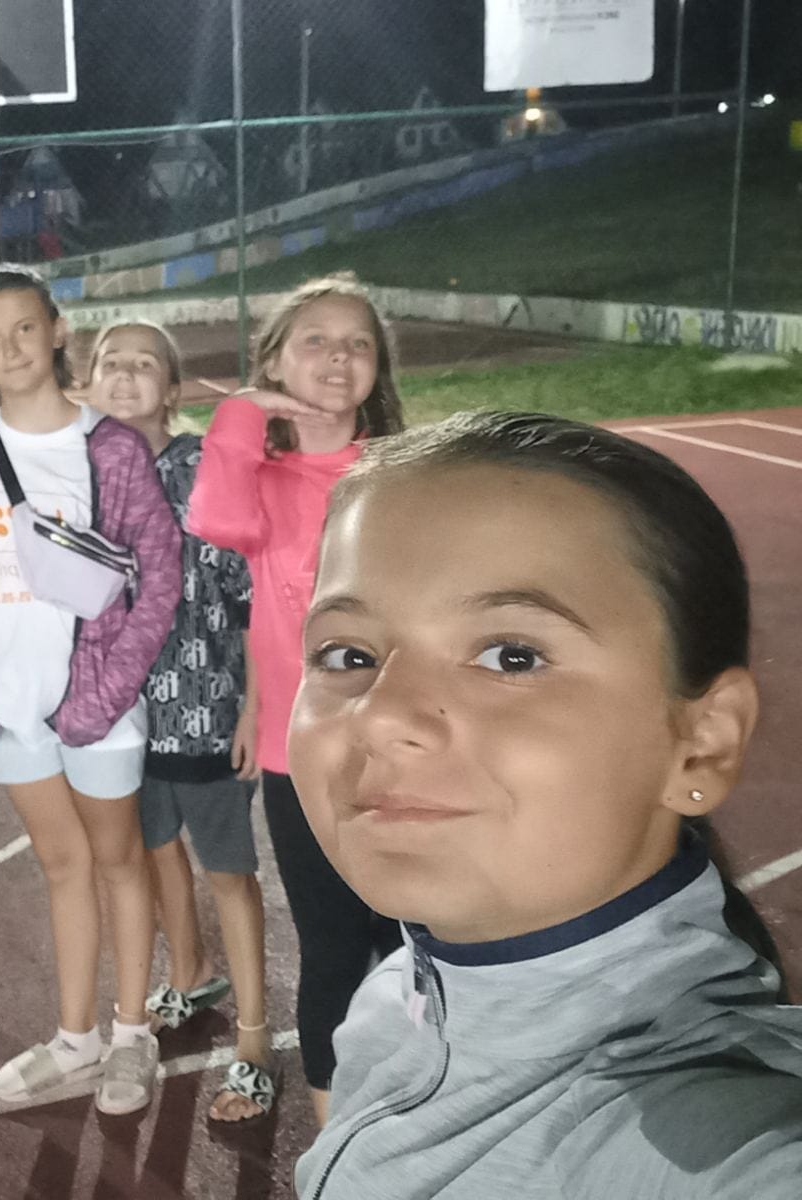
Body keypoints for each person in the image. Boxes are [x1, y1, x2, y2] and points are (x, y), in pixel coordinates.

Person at [289, 410, 802, 1198]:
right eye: (348, 653)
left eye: (512, 656)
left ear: (702, 744)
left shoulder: (716, 1144)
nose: (380, 714)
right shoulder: (395, 995)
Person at [0, 265, 181, 1114]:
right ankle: (76, 1037)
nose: (10, 349)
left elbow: (159, 578)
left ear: (57, 329)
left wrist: (102, 695)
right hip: (13, 708)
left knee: (118, 863)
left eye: (24, 329)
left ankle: (132, 1032)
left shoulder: (108, 448)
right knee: (61, 866)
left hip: (97, 708)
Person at [188, 271, 405, 1127]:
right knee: (334, 948)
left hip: (399, 747)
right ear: (275, 359)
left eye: (358, 343)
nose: (338, 356)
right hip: (299, 753)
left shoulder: (401, 476)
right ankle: (332, 1142)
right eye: (314, 339)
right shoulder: (263, 479)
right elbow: (217, 521)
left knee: (412, 939)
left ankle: (418, 1120)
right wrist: (245, 411)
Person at [85, 320, 271, 1122]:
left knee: (227, 871)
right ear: (89, 381)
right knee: (156, 853)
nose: (126, 375)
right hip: (127, 721)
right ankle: (189, 975)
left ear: (172, 387)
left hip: (206, 709)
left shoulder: (202, 470)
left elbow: (250, 594)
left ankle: (255, 1041)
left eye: (144, 364)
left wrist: (255, 706)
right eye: (111, 362)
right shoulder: (88, 474)